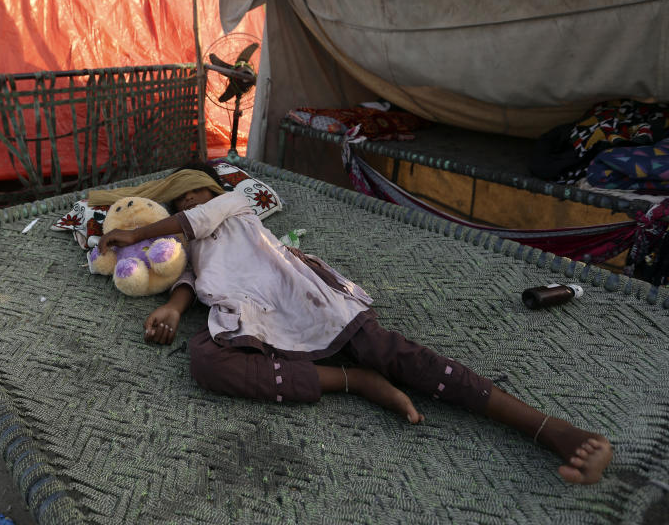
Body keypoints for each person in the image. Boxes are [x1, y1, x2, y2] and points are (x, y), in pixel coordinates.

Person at [96, 162, 614, 485]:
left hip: (300, 294)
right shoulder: (184, 244)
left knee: (402, 357)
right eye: (180, 198)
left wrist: (140, 231)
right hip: (249, 310)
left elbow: (193, 221)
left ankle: (551, 429)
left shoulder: (233, 205)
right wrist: (172, 308)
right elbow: (185, 276)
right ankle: (352, 381)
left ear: (211, 194)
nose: (189, 203)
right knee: (205, 363)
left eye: (195, 194)